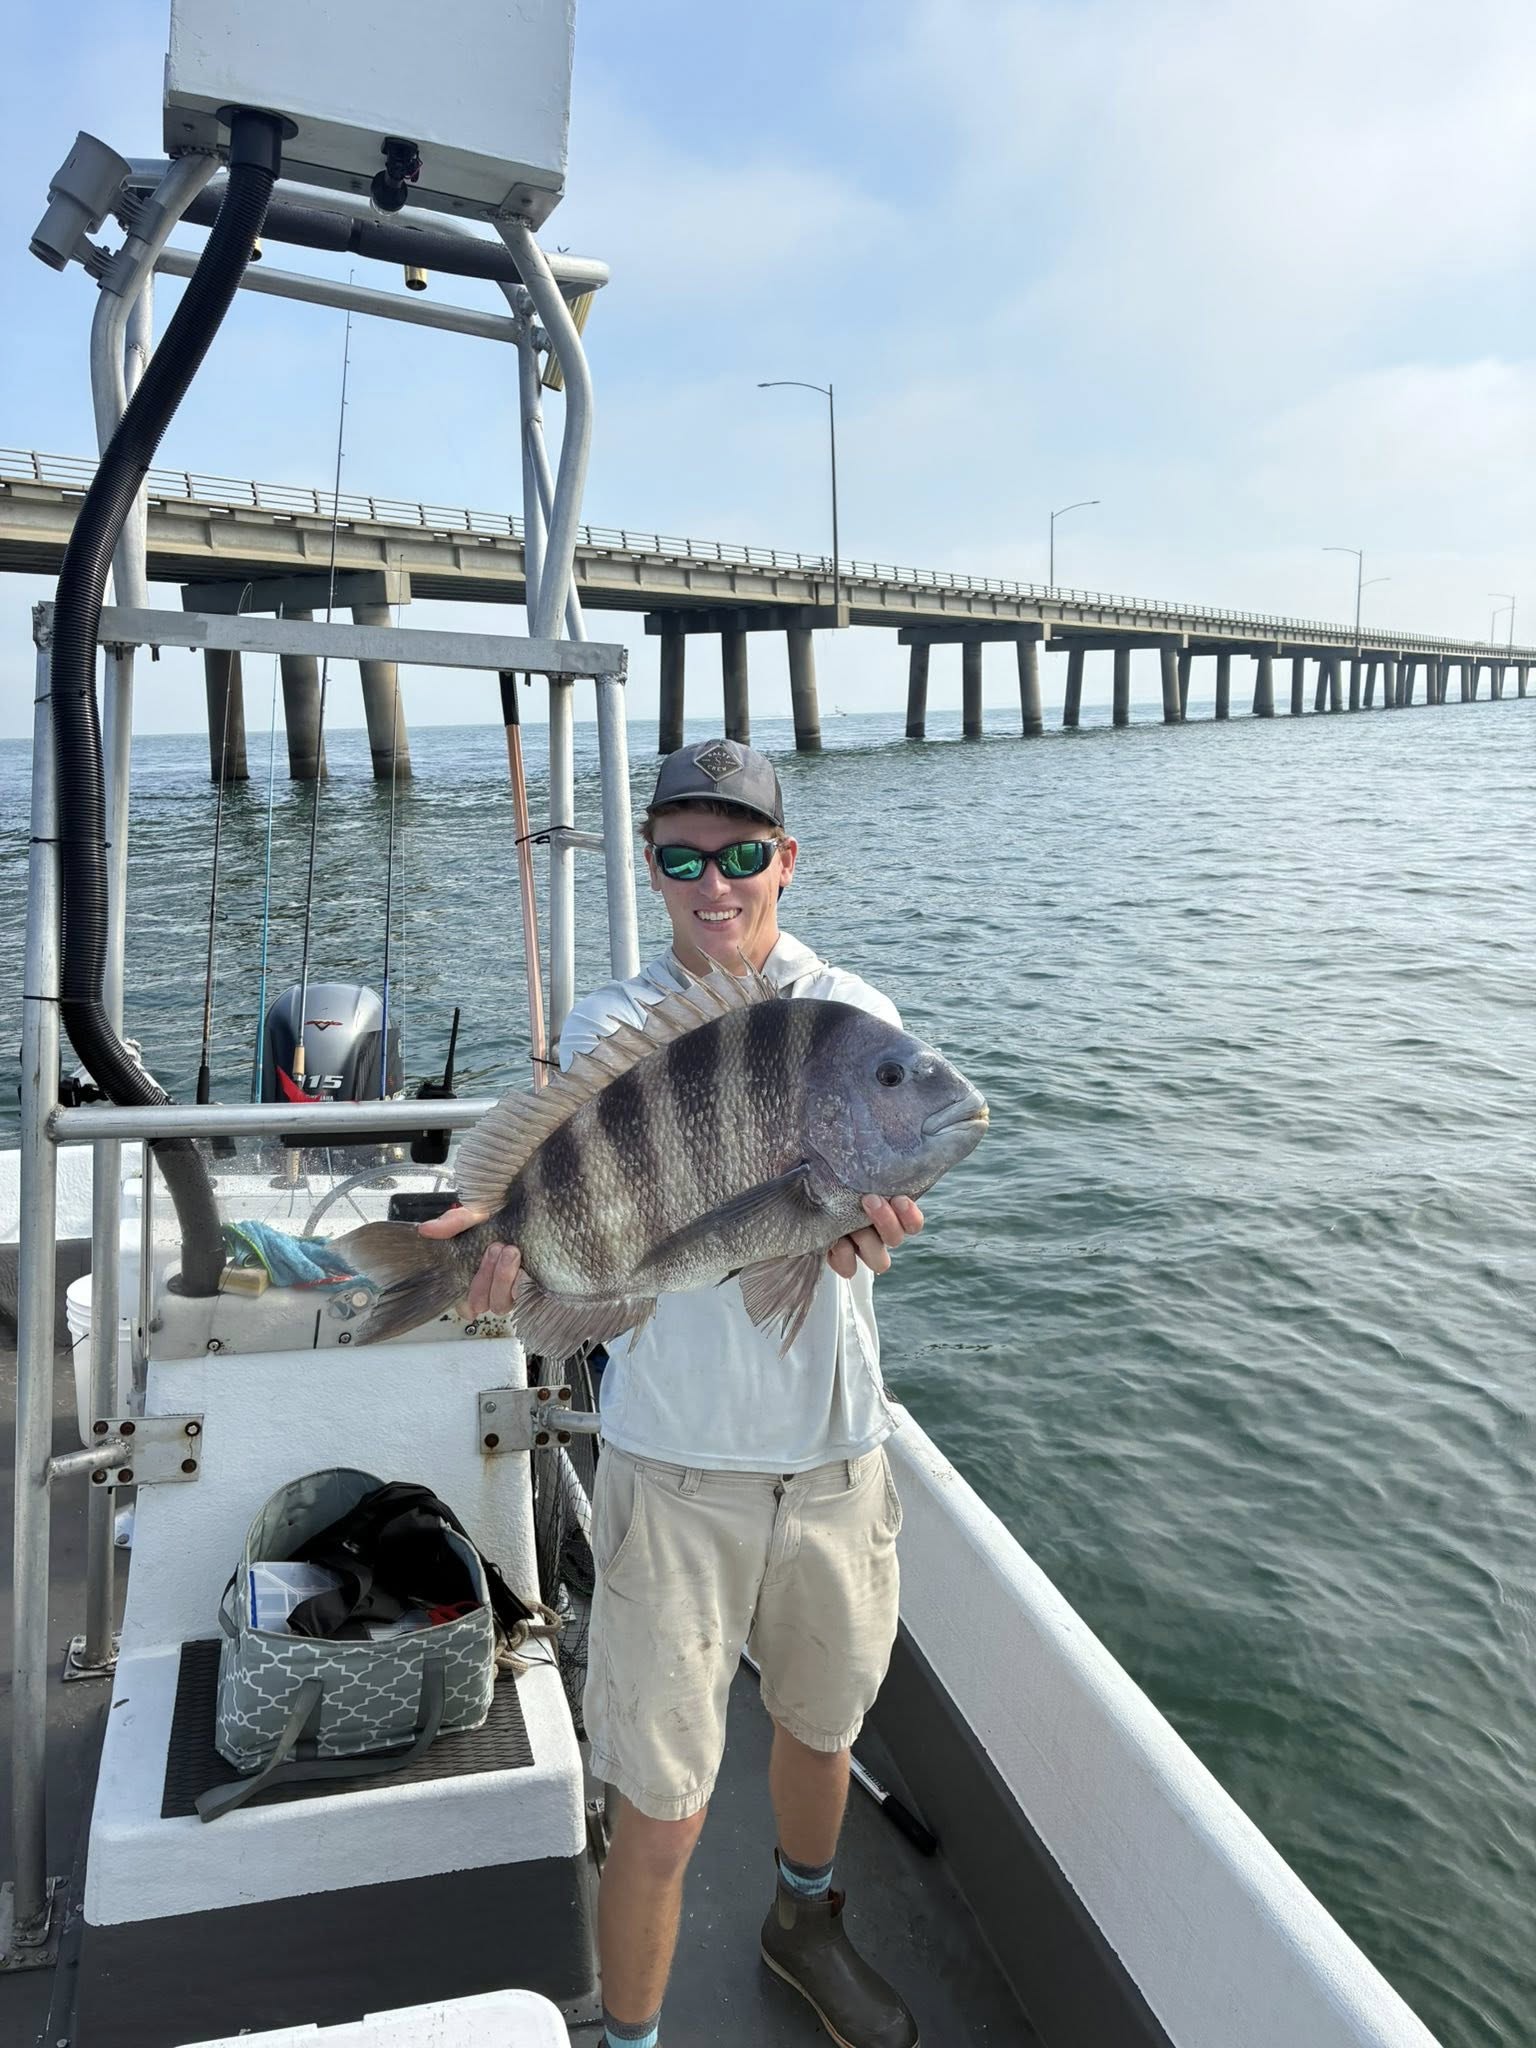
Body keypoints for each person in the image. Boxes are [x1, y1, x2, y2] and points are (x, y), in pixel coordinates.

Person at [421, 737, 924, 2048]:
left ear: (785, 861)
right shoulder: (614, 1028)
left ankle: (804, 1923)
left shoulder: (850, 1017)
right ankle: (632, 2037)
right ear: (652, 868)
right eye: (685, 856)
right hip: (673, 1467)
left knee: (822, 1731)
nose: (718, 882)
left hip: (833, 1456)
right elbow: (575, 1215)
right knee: (664, 1801)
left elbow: (864, 1205)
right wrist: (497, 1258)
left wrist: (865, 1234)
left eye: (744, 853)